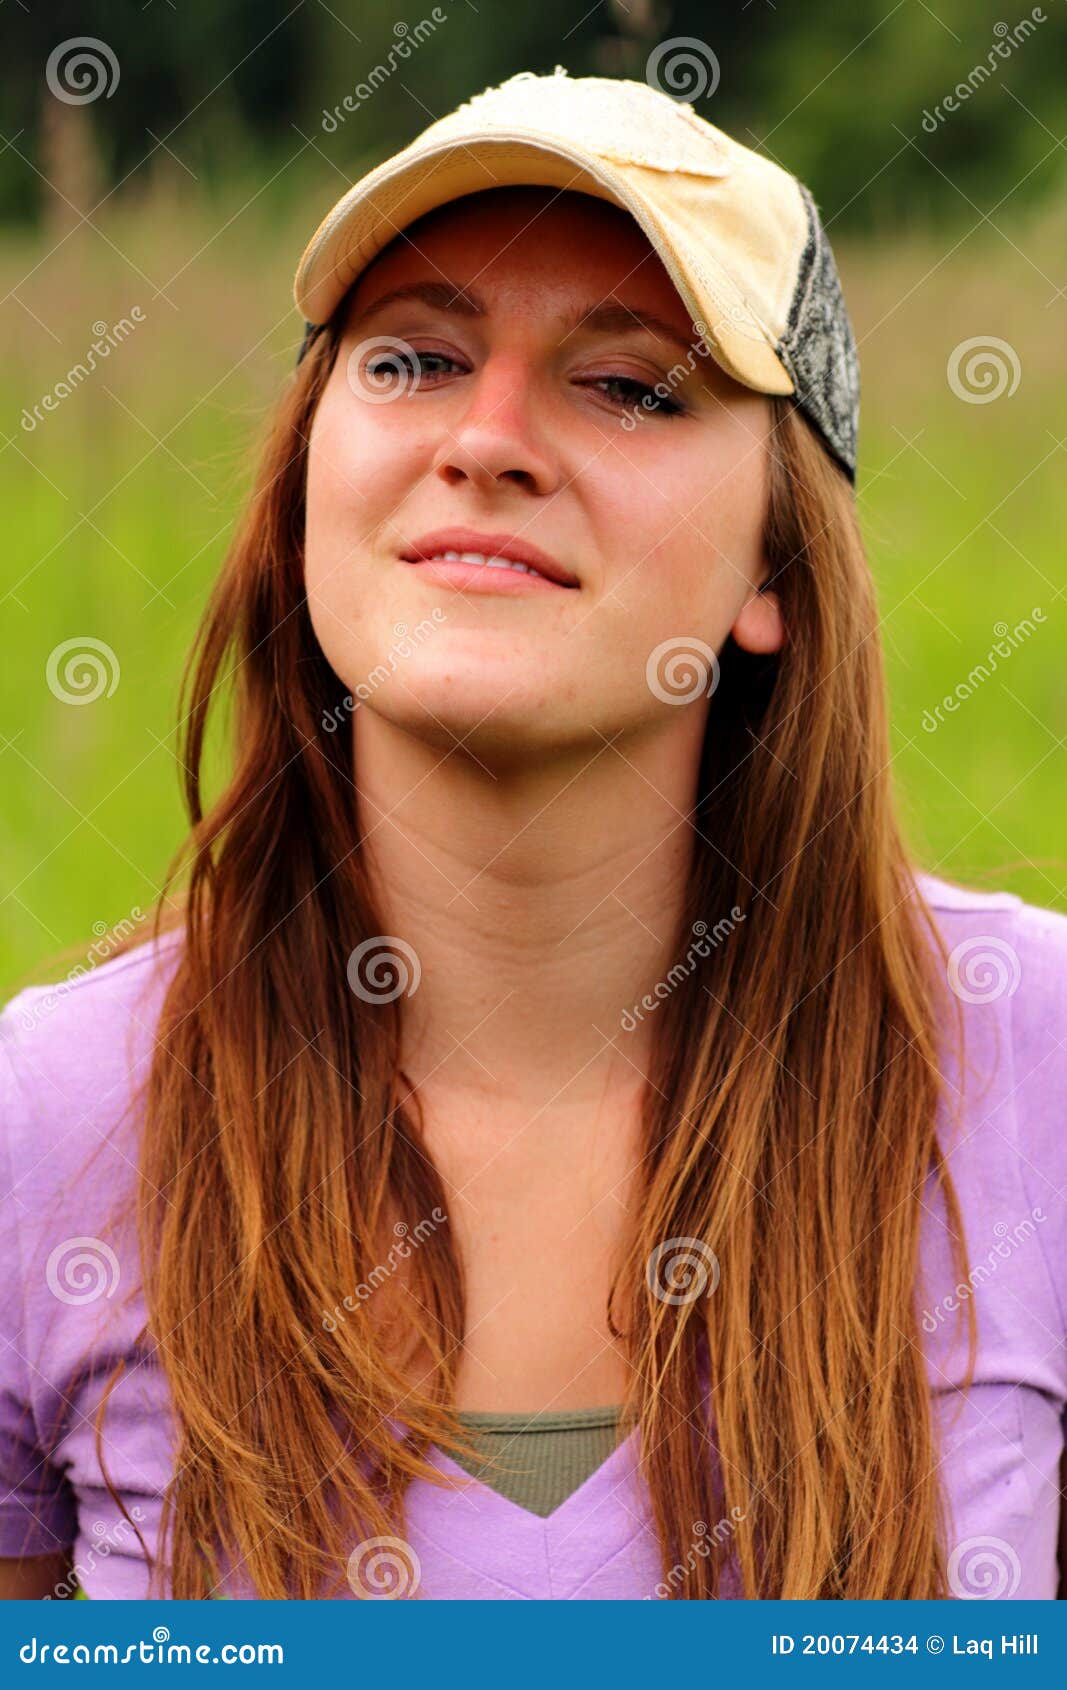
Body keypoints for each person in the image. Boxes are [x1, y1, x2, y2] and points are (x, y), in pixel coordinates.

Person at [1, 70, 1064, 1602]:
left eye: (630, 384)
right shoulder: (55, 1117)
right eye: (414, 360)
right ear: (310, 478)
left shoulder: (1035, 1064)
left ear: (775, 564)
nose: (486, 440)